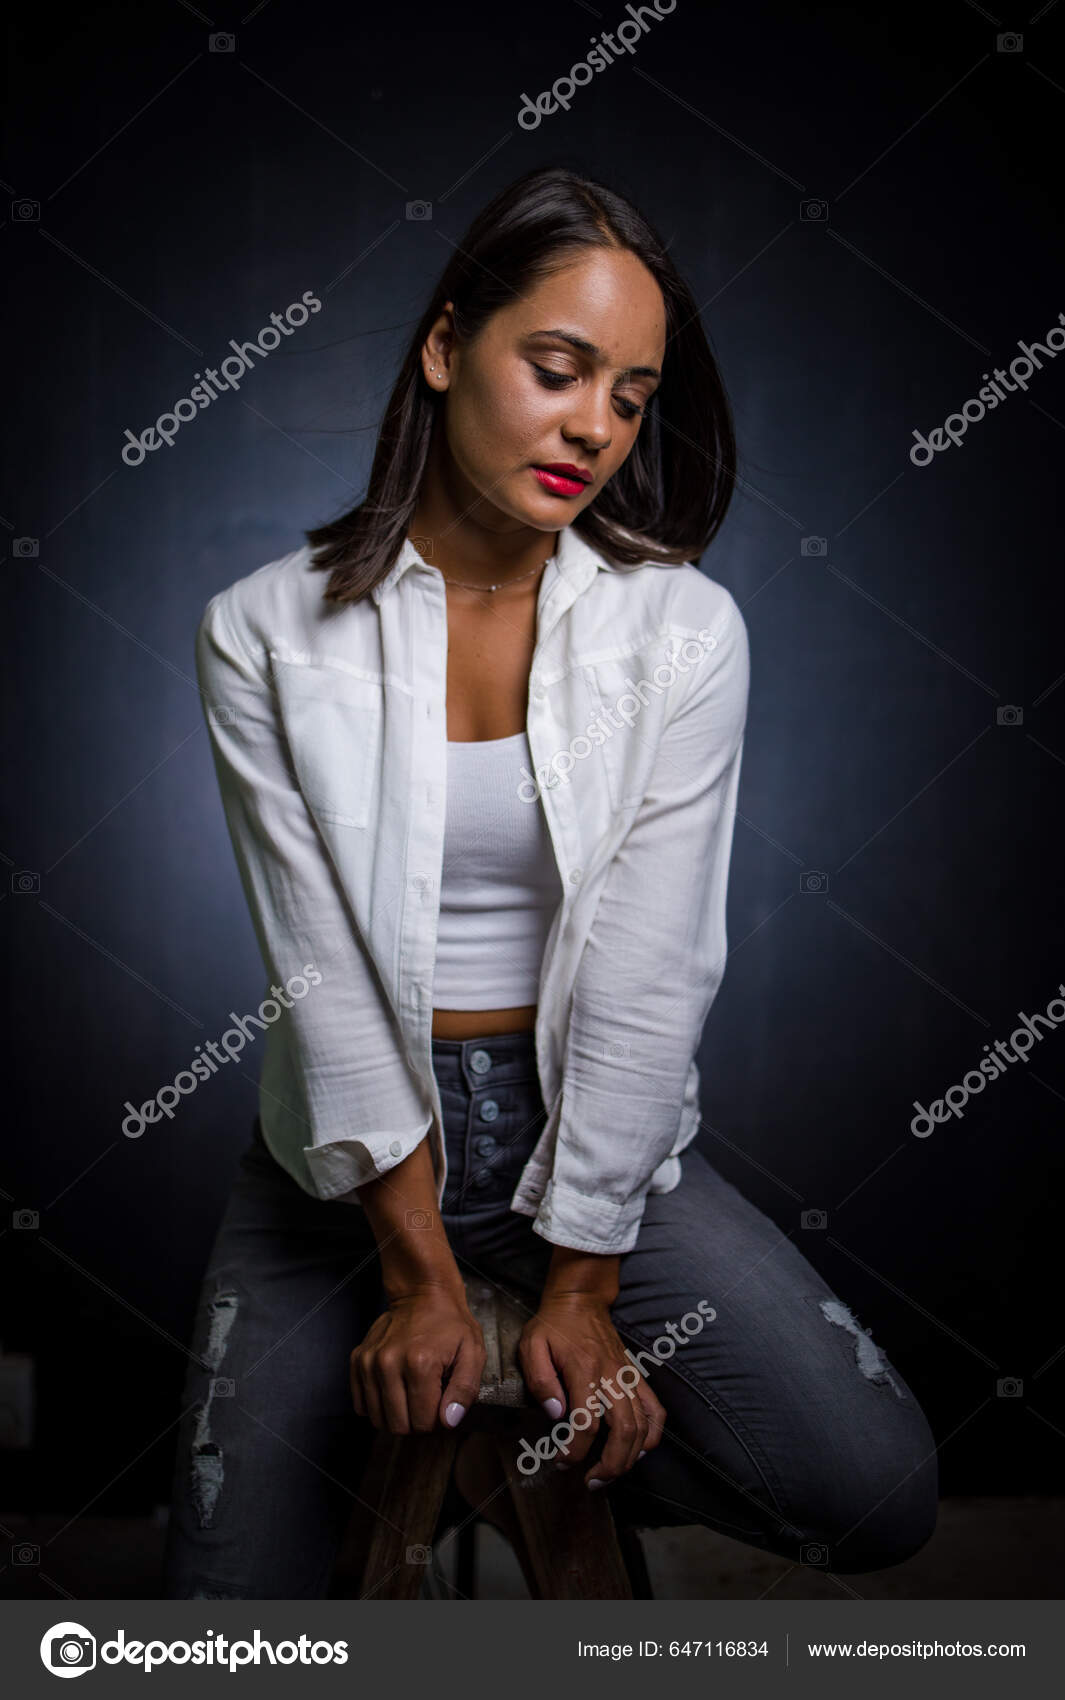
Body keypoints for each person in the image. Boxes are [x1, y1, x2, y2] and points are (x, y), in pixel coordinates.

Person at [162, 165, 937, 1600]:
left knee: (868, 1488)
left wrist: (577, 1287)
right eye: (558, 367)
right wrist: (413, 1275)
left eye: (630, 395)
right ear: (449, 346)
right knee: (226, 1621)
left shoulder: (678, 633)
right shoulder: (262, 630)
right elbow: (313, 969)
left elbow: (652, 972)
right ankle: (439, 1366)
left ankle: (516, 1377)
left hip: (584, 1146)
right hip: (338, 1169)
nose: (593, 425)